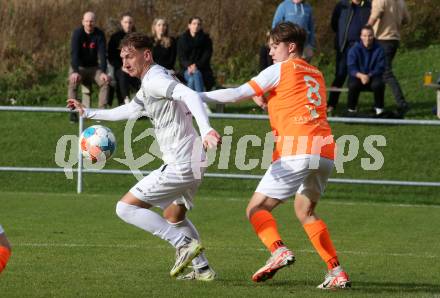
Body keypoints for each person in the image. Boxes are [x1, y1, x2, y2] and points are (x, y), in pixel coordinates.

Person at [201, 22, 351, 289]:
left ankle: (278, 250)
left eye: (274, 46)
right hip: (325, 149)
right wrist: (268, 99)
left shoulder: (281, 68)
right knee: (305, 211)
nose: (270, 52)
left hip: (296, 149)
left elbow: (236, 94)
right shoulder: (315, 73)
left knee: (256, 209)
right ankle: (336, 271)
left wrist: (194, 96)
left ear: (290, 47)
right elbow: (295, 100)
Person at [67, 33, 221, 281]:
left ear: (146, 55)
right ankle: (202, 269)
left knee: (125, 208)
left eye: (129, 57)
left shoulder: (155, 79)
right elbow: (130, 109)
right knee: (174, 215)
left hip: (181, 162)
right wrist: (89, 112)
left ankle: (183, 244)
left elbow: (190, 95)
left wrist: (206, 129)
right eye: (122, 58)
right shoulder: (152, 80)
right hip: (195, 159)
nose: (125, 63)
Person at [368, 0, 410, 117]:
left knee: (386, 73)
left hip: (382, 39)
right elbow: (407, 19)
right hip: (394, 39)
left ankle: (402, 104)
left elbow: (375, 15)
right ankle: (378, 105)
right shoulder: (400, 1)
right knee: (379, 74)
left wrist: (365, 30)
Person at [328, 0, 371, 114]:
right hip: (344, 48)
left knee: (355, 78)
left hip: (360, 49)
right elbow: (334, 24)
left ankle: (352, 107)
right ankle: (331, 104)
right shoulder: (342, 6)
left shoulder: (369, 6)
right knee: (340, 76)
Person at [68, 11, 110, 122]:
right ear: (83, 22)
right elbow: (74, 54)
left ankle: (101, 113)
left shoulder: (99, 34)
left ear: (94, 22)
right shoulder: (77, 33)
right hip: (79, 67)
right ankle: (72, 111)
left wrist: (103, 71)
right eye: (86, 21)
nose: (89, 23)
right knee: (72, 81)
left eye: (91, 21)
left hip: (93, 68)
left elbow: (102, 54)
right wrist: (75, 71)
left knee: (105, 81)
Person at [347, 25, 385, 116]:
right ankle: (351, 110)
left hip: (373, 76)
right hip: (358, 76)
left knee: (379, 84)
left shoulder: (380, 49)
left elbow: (381, 67)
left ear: (373, 36)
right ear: (360, 36)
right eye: (364, 35)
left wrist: (369, 75)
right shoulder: (354, 49)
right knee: (352, 85)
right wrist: (361, 75)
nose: (367, 38)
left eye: (370, 35)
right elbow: (351, 67)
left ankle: (379, 110)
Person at [108, 13, 141, 106]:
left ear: (133, 23)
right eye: (126, 22)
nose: (128, 25)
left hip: (136, 66)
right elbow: (111, 57)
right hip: (120, 67)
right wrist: (122, 67)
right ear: (121, 23)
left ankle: (139, 105)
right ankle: (125, 102)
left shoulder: (138, 37)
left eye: (130, 22)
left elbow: (140, 55)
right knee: (122, 76)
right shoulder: (115, 37)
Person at [177, 17, 215, 92]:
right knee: (195, 74)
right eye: (194, 23)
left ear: (200, 26)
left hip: (202, 69)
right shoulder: (182, 39)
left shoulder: (206, 40)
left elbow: (206, 56)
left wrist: (196, 66)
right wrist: (189, 66)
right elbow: (181, 57)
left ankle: (191, 103)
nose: (196, 26)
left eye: (198, 24)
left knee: (193, 78)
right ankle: (201, 102)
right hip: (186, 70)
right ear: (189, 25)